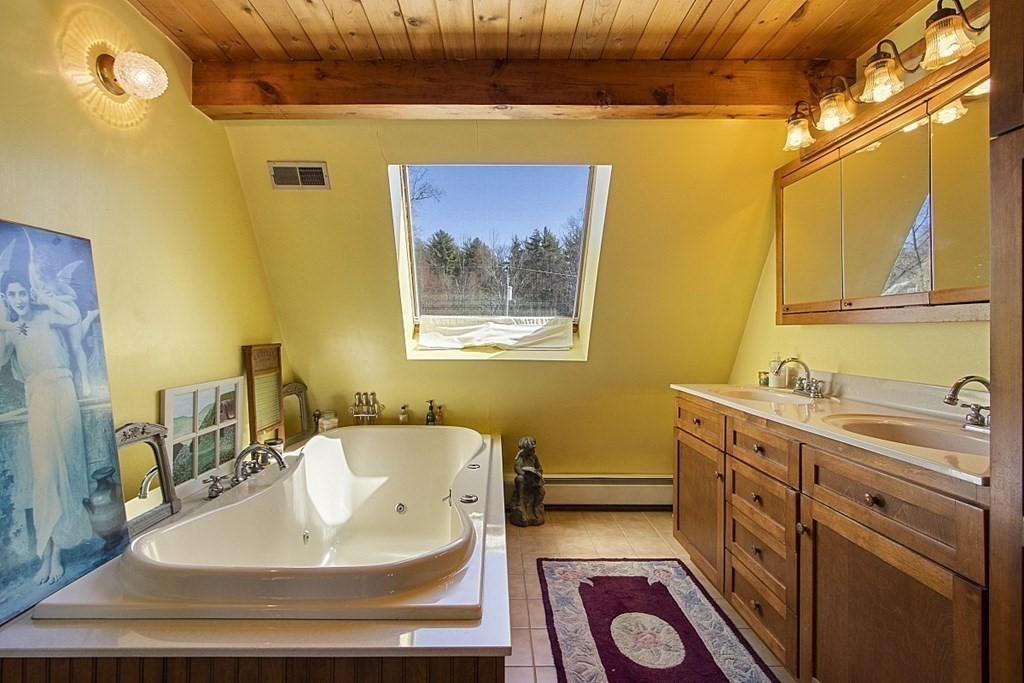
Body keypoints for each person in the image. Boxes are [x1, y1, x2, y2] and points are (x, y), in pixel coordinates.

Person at [0, 268, 92, 584]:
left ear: (29, 294)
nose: (18, 299)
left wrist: (45, 296)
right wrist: (4, 323)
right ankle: (48, 553)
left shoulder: (44, 316)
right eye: (11, 294)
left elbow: (71, 314)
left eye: (22, 293)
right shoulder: (11, 329)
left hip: (64, 391)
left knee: (68, 465)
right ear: (6, 298)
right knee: (44, 474)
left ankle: (62, 551)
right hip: (38, 395)